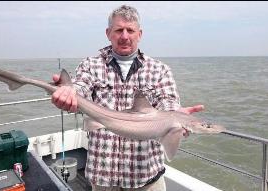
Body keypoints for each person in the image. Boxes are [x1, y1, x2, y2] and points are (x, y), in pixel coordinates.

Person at [51, 5, 203, 191]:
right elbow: (81, 87)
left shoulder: (159, 70)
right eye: (118, 30)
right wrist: (69, 93)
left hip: (146, 178)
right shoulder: (91, 65)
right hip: (103, 177)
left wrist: (175, 116)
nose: (124, 36)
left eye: (130, 30)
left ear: (139, 34)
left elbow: (167, 103)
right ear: (108, 33)